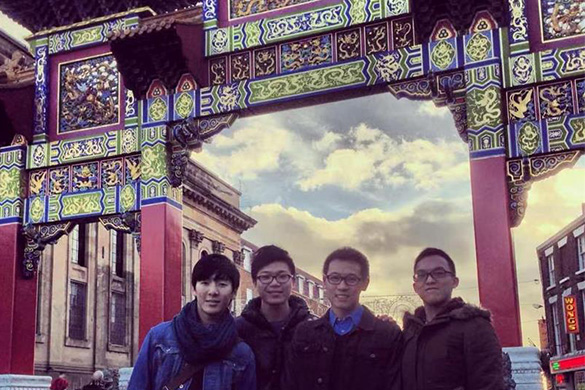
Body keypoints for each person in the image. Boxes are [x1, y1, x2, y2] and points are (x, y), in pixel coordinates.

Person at [127, 253, 256, 390]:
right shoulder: (159, 338)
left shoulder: (241, 354)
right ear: (194, 289)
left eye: (222, 284)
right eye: (205, 283)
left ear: (234, 292)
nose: (213, 291)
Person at [285, 247, 402, 390]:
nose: (342, 286)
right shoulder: (304, 333)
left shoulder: (387, 335)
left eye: (351, 279)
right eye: (334, 278)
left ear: (365, 283)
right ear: (324, 281)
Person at [401, 247, 504, 390]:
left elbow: (490, 384)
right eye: (422, 274)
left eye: (439, 273)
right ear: (415, 286)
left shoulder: (475, 327)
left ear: (454, 281)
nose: (430, 280)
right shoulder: (410, 334)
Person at [236, 245, 314, 390]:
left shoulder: (312, 330)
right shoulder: (238, 330)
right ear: (254, 282)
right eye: (265, 277)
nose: (274, 283)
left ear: (293, 282)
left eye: (282, 276)